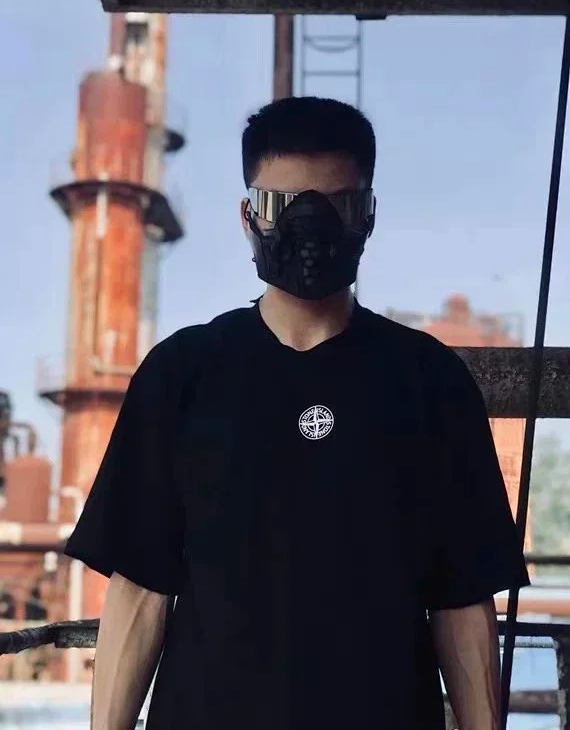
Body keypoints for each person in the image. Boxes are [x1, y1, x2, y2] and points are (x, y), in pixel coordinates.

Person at [65, 96, 530, 730]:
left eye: (336, 204)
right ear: (248, 216)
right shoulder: (182, 374)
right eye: (282, 203)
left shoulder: (430, 381)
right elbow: (140, 590)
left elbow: (463, 602)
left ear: (367, 215)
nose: (309, 226)